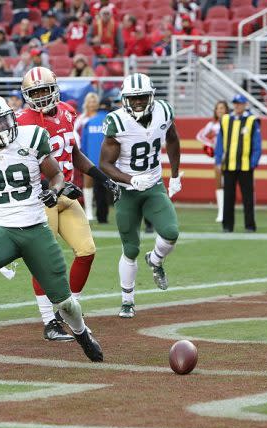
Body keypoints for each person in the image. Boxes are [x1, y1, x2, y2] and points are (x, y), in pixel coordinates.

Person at [0, 94, 103, 362]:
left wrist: (54, 191)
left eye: (3, 120)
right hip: (1, 229)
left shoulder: (32, 137)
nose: (0, 128)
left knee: (65, 302)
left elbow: (56, 174)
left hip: (35, 228)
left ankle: (82, 333)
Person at [17, 67, 119, 341]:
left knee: (86, 251)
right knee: (44, 261)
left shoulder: (67, 111)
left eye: (43, 90)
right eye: (34, 92)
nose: (40, 97)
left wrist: (100, 177)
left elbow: (72, 152)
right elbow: (23, 165)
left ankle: (68, 310)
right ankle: (49, 321)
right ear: (27, 95)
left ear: (54, 89)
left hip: (66, 195)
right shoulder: (23, 122)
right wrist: (56, 185)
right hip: (41, 197)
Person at [99, 73, 182, 318]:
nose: (137, 102)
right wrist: (131, 179)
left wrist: (175, 175)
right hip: (127, 191)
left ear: (151, 96)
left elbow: (173, 139)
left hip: (154, 184)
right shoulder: (116, 121)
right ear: (124, 98)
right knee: (131, 248)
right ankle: (127, 300)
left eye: (142, 97)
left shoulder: (164, 111)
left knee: (170, 232)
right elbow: (104, 163)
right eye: (133, 98)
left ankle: (155, 260)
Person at [214, 94, 261, 233]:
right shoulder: (226, 120)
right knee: (228, 197)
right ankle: (227, 226)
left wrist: (253, 163)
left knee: (248, 198)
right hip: (228, 165)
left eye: (239, 103)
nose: (237, 106)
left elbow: (257, 144)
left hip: (246, 166)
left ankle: (250, 225)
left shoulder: (252, 121)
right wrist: (218, 160)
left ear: (245, 104)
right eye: (235, 103)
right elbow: (220, 143)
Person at [80, 96, 114, 224]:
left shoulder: (89, 122)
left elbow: (82, 144)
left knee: (95, 188)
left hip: (90, 161)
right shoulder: (112, 121)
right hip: (110, 162)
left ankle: (95, 215)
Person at [196, 100, 229, 222]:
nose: (220, 110)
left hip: (230, 156)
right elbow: (199, 136)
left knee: (228, 184)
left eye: (222, 108)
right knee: (219, 183)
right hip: (219, 157)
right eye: (218, 108)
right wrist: (211, 144)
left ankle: (227, 211)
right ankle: (221, 212)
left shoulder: (231, 122)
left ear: (226, 110)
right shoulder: (212, 124)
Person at [73, 92, 99, 221]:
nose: (92, 104)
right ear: (86, 103)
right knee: (87, 181)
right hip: (86, 153)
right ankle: (88, 211)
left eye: (94, 101)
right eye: (90, 101)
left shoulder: (102, 117)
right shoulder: (81, 118)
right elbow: (74, 134)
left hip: (101, 153)